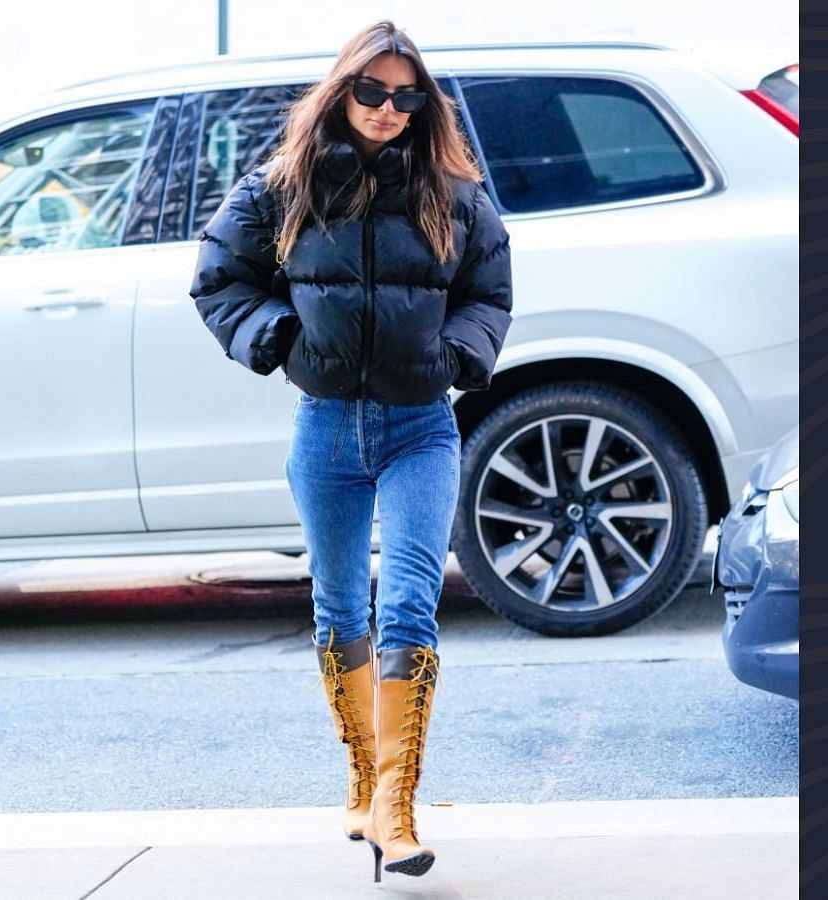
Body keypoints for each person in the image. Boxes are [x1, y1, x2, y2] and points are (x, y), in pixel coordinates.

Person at [190, 19, 512, 882]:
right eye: (372, 90)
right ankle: (364, 782)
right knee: (339, 608)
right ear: (343, 90)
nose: (387, 108)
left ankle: (397, 812)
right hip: (326, 427)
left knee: (410, 603)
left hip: (421, 427)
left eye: (406, 95)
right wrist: (281, 339)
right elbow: (220, 277)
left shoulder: (455, 192)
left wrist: (455, 358)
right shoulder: (283, 184)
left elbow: (490, 291)